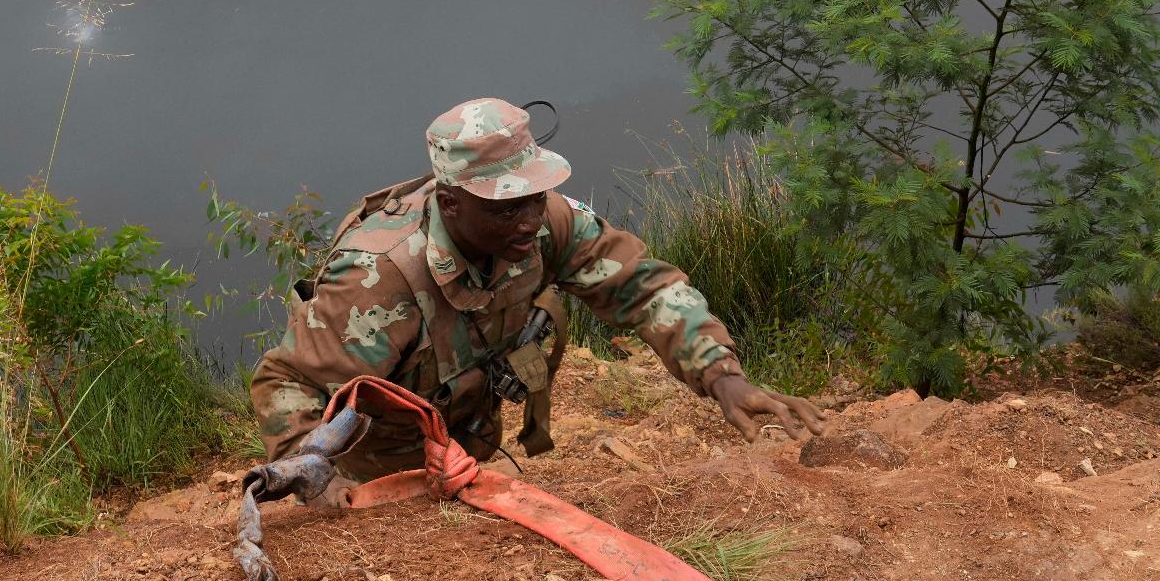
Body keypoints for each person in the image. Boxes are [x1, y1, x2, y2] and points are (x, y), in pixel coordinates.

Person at [251, 98, 824, 484]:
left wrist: (722, 376)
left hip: (466, 451)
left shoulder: (544, 222)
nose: (531, 218)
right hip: (382, 478)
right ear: (451, 203)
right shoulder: (380, 279)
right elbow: (289, 386)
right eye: (507, 205)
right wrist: (321, 491)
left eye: (535, 194)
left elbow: (644, 289)